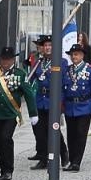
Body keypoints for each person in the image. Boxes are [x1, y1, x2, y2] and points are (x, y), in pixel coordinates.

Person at [0, 46, 33, 180]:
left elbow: (28, 94)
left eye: (8, 59)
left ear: (13, 60)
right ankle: (3, 170)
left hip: (11, 113)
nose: (5, 62)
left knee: (6, 138)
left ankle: (9, 169)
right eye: (3, 59)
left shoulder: (20, 74)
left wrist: (33, 113)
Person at [62, 42, 91, 171]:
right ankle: (71, 159)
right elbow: (62, 89)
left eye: (76, 54)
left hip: (84, 106)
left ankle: (76, 162)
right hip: (70, 106)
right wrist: (61, 104)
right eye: (72, 55)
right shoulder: (67, 70)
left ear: (81, 55)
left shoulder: (90, 70)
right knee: (71, 134)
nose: (74, 57)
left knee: (81, 133)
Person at [27, 36, 54, 166]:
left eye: (49, 45)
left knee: (53, 131)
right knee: (40, 130)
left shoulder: (59, 62)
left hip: (52, 100)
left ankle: (63, 153)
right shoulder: (39, 62)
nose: (47, 48)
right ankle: (43, 158)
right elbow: (31, 78)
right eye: (45, 46)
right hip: (39, 99)